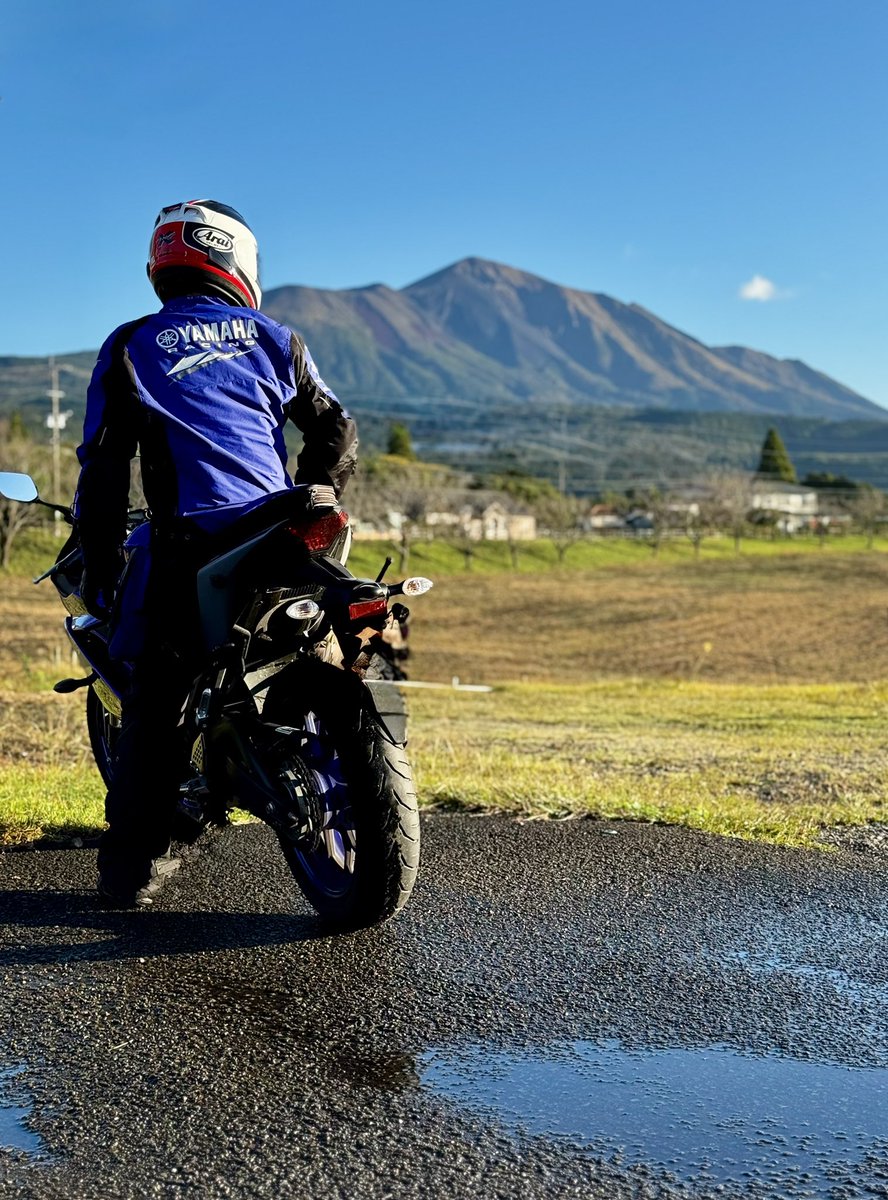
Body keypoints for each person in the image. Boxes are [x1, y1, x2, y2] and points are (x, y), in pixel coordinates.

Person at [74, 199, 358, 907]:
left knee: (153, 690)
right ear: (238, 261)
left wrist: (101, 555)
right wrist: (314, 489)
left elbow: (103, 465)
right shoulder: (275, 337)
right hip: (285, 526)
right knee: (331, 629)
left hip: (188, 541)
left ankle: (130, 868)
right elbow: (336, 428)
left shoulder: (133, 344)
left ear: (162, 264)